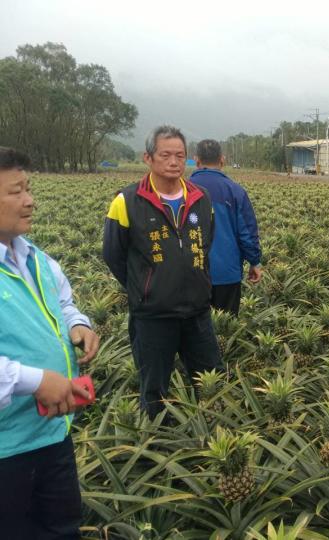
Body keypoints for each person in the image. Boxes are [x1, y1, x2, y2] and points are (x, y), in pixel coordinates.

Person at [0, 146, 100, 538]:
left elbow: (62, 301)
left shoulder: (36, 258)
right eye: (15, 191)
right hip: (6, 451)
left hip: (52, 432)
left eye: (28, 188)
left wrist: (78, 325)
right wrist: (35, 380)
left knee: (62, 529)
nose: (30, 200)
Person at [103, 126, 222, 419]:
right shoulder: (127, 201)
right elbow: (114, 255)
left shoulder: (201, 198)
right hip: (153, 316)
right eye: (165, 154)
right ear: (148, 158)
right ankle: (155, 445)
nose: (173, 162)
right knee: (155, 391)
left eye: (180, 155)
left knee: (212, 383)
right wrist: (146, 286)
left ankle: (213, 441)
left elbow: (206, 245)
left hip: (197, 312)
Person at [189, 139, 263, 315]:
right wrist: (254, 262)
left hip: (190, 275)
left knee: (194, 334)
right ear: (222, 160)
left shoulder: (183, 190)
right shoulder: (235, 191)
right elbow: (247, 233)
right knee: (226, 331)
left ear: (196, 160)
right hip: (227, 274)